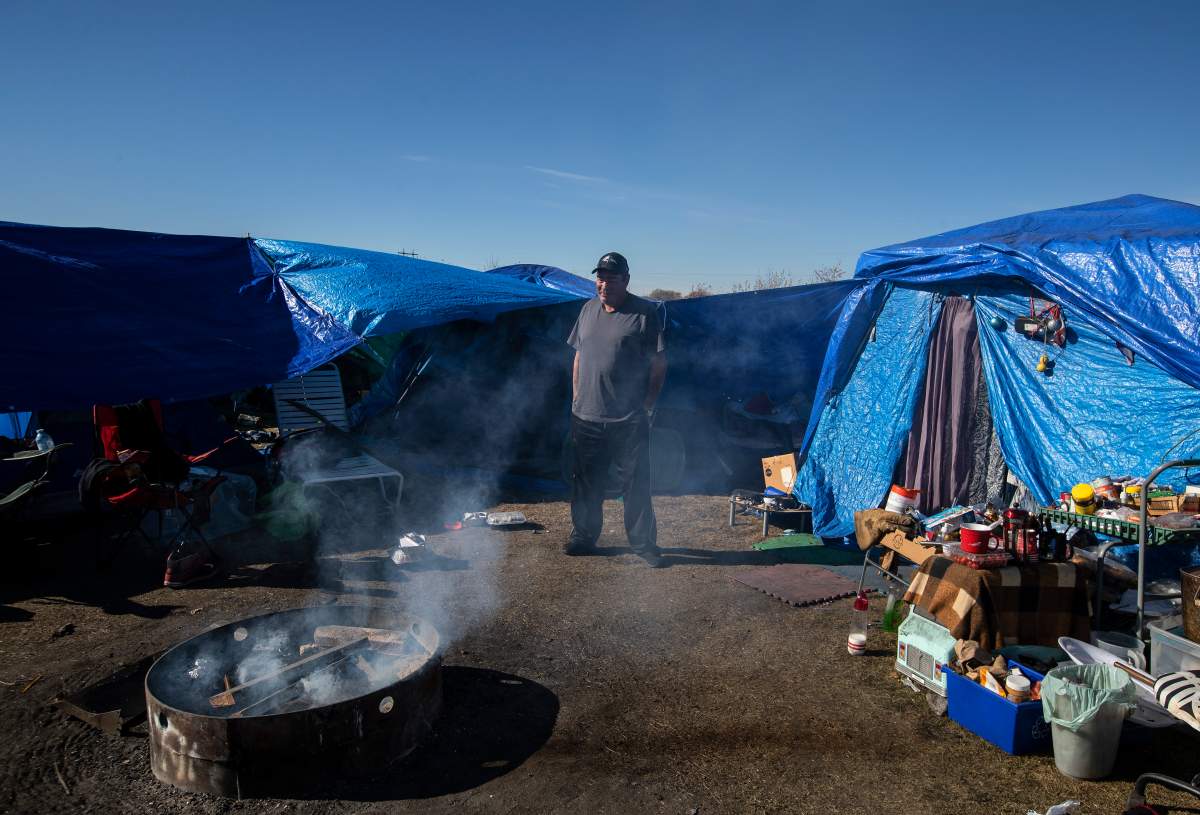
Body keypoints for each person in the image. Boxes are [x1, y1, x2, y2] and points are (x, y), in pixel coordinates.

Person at [565, 251, 668, 566]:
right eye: (600, 277)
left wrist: (647, 406)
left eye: (611, 278)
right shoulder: (587, 309)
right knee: (585, 483)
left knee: (635, 484)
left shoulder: (644, 313)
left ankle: (643, 545)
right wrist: (576, 397)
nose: (604, 284)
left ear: (626, 280)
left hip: (628, 418)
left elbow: (658, 363)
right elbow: (579, 355)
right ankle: (583, 537)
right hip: (586, 415)